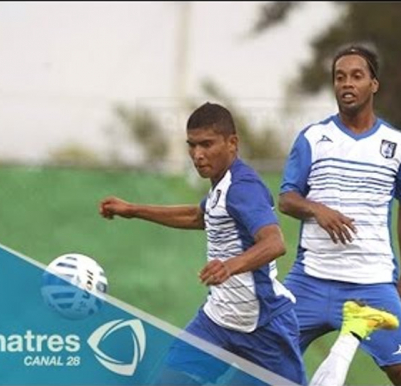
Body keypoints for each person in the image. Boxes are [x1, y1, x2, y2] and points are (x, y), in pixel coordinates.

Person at [98, 102, 306, 385]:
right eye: (192, 146)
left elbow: (274, 242)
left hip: (263, 327)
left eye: (207, 144)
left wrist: (229, 266)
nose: (197, 155)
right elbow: (197, 216)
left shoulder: (242, 187)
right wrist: (133, 210)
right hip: (216, 322)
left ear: (232, 143)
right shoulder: (221, 186)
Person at [278, 43, 401, 386]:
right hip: (311, 280)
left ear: (373, 84)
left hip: (372, 283)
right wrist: (317, 209)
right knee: (261, 366)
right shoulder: (314, 138)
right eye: (340, 77)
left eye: (357, 76)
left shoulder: (398, 145)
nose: (347, 84)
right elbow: (286, 199)